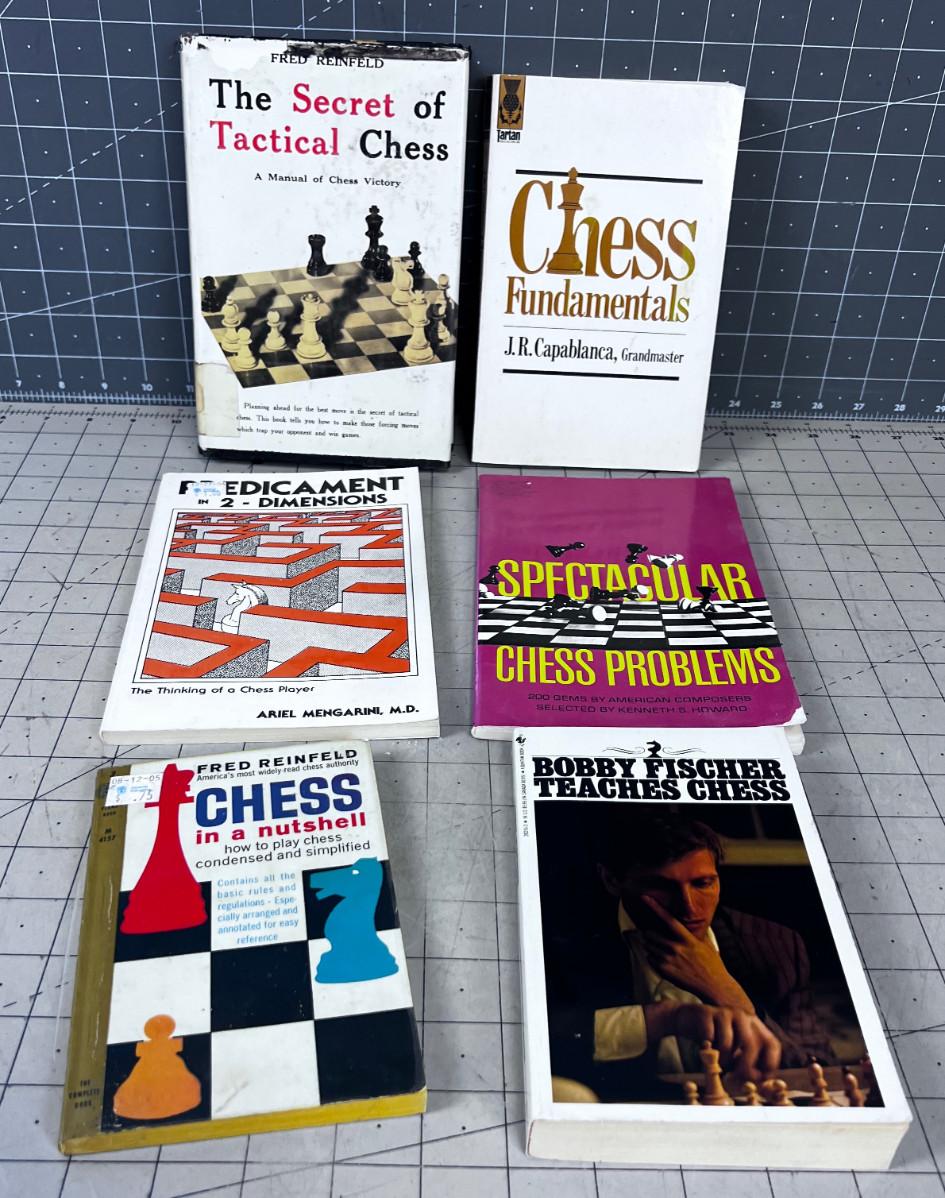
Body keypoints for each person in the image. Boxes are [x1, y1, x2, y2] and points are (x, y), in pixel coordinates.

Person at [544, 810, 833, 1103]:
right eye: (661, 887)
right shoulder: (563, 944)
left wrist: (727, 991)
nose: (689, 908)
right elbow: (546, 1043)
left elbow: (819, 1069)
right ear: (611, 880)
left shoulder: (775, 943)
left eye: (703, 883)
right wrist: (662, 1019)